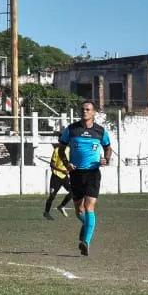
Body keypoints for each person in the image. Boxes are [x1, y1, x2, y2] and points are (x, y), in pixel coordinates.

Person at [59, 100, 111, 256]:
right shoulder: (71, 130)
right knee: (79, 211)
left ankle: (86, 242)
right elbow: (61, 150)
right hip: (76, 174)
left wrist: (105, 160)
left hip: (93, 173)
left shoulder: (100, 131)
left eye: (88, 109)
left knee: (89, 207)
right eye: (82, 109)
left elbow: (108, 148)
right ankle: (90, 225)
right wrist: (67, 164)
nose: (85, 112)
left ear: (94, 112)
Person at [43, 143, 73, 219]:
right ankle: (46, 212)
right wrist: (62, 170)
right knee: (52, 196)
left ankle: (61, 206)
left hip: (64, 176)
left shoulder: (70, 150)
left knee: (73, 191)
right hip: (56, 176)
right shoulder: (56, 150)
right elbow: (52, 165)